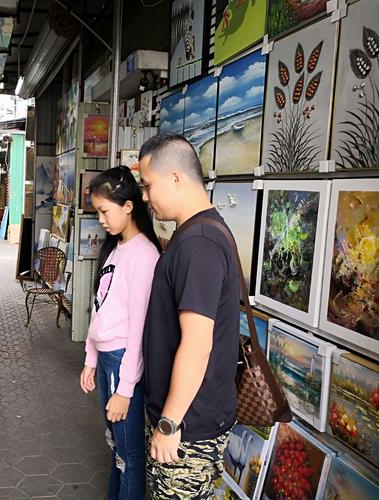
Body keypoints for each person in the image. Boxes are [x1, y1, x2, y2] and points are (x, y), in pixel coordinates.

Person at [138, 134, 240, 498]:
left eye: (148, 186)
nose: (145, 197)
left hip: (186, 427)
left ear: (176, 178)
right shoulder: (200, 233)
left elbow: (197, 346)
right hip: (189, 421)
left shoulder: (199, 244)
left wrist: (168, 423)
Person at [79, 166, 161, 499]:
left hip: (123, 364)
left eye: (104, 211)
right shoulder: (116, 249)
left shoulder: (144, 255)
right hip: (109, 361)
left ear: (128, 206)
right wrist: (90, 357)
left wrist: (125, 389)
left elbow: (140, 327)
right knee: (117, 449)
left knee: (130, 457)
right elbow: (100, 306)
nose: (100, 219)